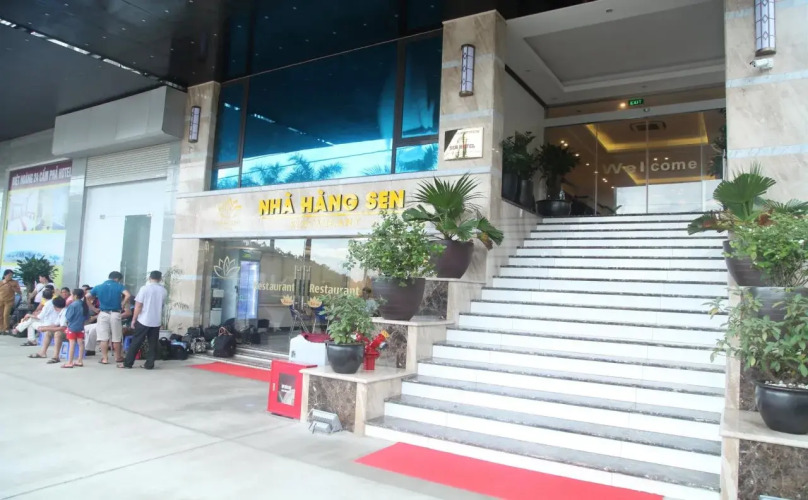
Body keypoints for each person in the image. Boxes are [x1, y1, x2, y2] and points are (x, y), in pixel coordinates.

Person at [119, 271, 166, 370]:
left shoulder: (144, 289)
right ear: (160, 279)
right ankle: (149, 364)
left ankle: (128, 363)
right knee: (153, 343)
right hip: (156, 320)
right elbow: (161, 306)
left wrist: (134, 319)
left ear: (149, 278)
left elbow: (138, 306)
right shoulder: (163, 291)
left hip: (144, 319)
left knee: (136, 342)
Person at [88, 271, 131, 365]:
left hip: (103, 313)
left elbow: (87, 297)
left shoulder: (98, 287)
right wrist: (123, 303)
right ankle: (118, 357)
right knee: (116, 337)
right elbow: (128, 295)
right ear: (118, 279)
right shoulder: (119, 286)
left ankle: (104, 358)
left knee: (103, 337)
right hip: (115, 313)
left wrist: (93, 308)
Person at [28, 296, 67, 363]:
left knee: (57, 334)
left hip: (69, 332)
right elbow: (55, 324)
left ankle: (56, 356)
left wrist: (46, 328)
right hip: (65, 331)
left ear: (54, 306)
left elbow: (63, 328)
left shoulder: (65, 313)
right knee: (48, 332)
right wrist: (44, 327)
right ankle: (42, 352)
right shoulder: (61, 312)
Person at [62, 289, 89, 368]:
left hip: (72, 327)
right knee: (81, 344)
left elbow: (68, 317)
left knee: (72, 344)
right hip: (81, 327)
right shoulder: (84, 305)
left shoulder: (72, 305)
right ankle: (80, 360)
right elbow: (87, 317)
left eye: (72, 295)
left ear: (75, 296)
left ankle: (70, 362)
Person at [0, 269, 22, 334]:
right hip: (1, 300)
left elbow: (19, 292)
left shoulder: (14, 282)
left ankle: (6, 329)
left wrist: (13, 287)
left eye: (12, 275)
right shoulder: (1, 282)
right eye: (9, 275)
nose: (10, 277)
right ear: (5, 275)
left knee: (6, 314)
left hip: (9, 301)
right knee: (1, 315)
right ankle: (1, 328)